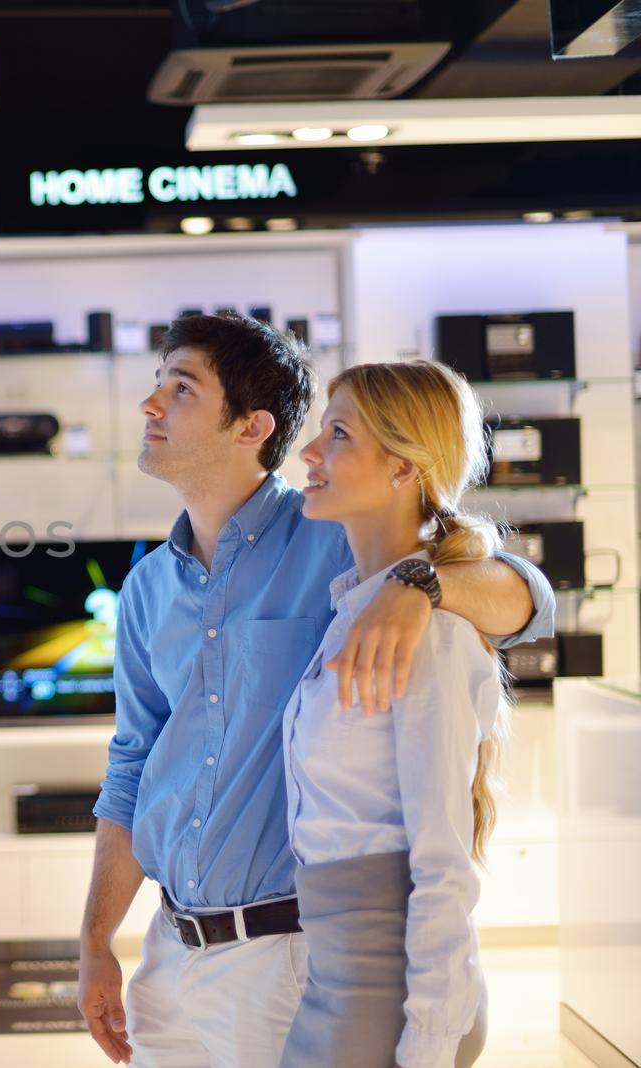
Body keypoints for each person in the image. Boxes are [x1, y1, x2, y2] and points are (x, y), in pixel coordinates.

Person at [76, 315, 554, 1067]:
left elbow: (530, 600)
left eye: (181, 387)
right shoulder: (144, 590)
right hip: (169, 958)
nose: (150, 405)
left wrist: (418, 584)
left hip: (289, 956)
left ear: (251, 426)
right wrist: (98, 940)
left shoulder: (340, 534)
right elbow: (133, 766)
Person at [280, 361, 502, 1067]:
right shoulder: (359, 607)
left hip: (390, 993)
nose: (309, 454)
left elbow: (443, 863)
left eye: (337, 434)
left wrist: (430, 1044)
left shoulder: (428, 632)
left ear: (405, 468)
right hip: (342, 977)